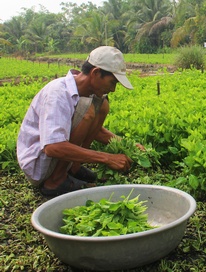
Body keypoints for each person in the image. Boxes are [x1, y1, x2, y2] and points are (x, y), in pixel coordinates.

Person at [17, 46, 138, 197]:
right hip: (39, 164)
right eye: (112, 82)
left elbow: (96, 131)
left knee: (101, 104)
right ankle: (56, 181)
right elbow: (52, 147)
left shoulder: (82, 93)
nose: (113, 89)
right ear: (95, 73)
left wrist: (129, 146)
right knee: (89, 109)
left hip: (54, 156)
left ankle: (73, 169)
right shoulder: (58, 94)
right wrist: (106, 158)